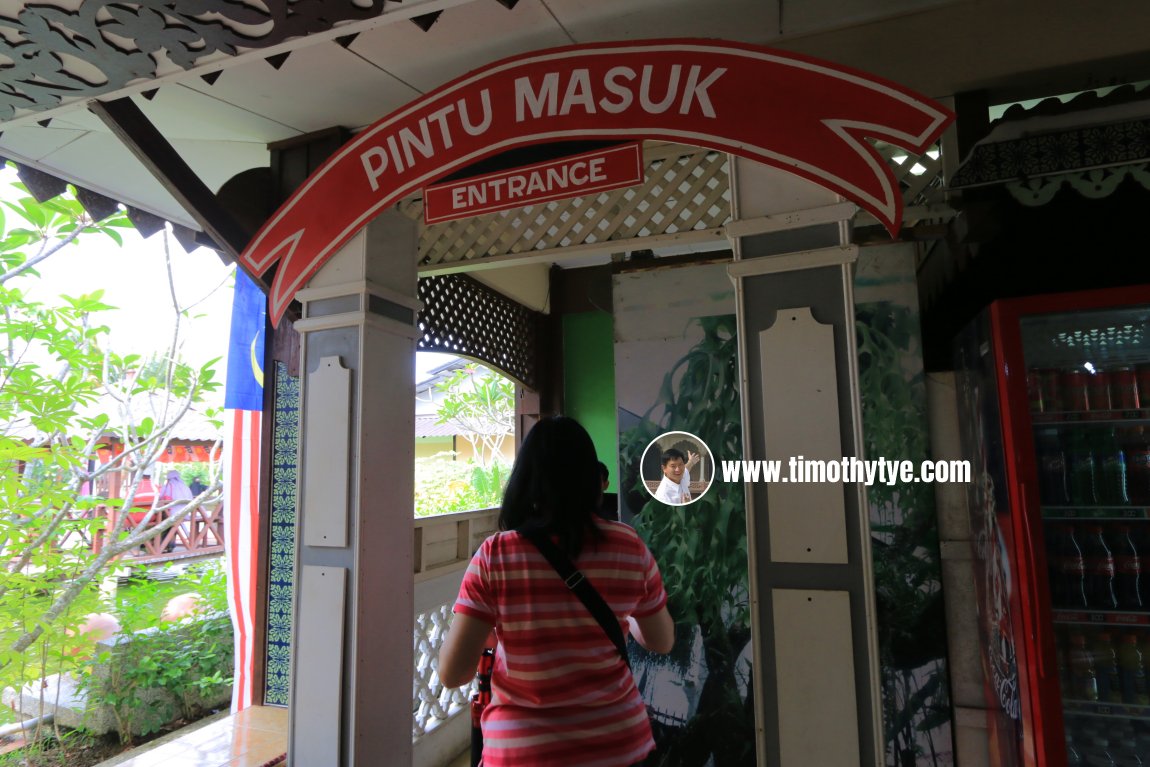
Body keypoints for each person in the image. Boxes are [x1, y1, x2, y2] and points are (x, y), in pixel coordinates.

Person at [439, 416, 674, 767]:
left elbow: (453, 673)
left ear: (526, 479)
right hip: (617, 745)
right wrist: (622, 618)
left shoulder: (496, 555)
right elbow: (661, 640)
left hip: (524, 751)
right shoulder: (629, 545)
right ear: (592, 478)